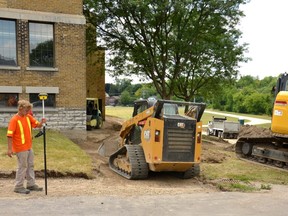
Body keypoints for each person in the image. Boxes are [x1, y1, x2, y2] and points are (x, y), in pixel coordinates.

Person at [7, 100, 46, 194]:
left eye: (29, 109)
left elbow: (37, 125)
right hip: (20, 148)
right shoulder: (14, 120)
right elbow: (9, 135)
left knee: (30, 165)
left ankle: (31, 184)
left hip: (29, 146)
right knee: (22, 166)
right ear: (20, 108)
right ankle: (18, 186)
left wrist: (41, 122)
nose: (28, 111)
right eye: (26, 109)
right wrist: (9, 149)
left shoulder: (28, 117)